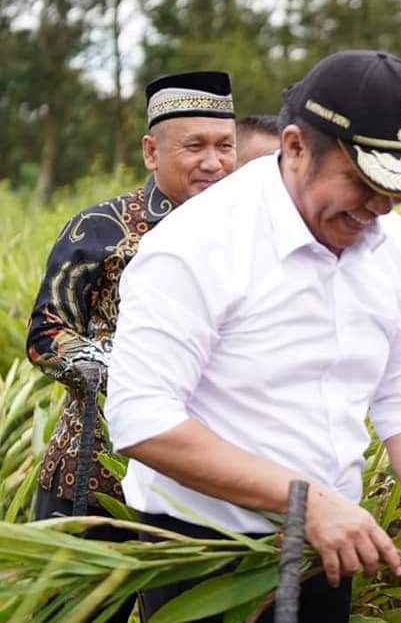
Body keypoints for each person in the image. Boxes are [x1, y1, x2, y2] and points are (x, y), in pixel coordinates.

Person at [103, 50, 401, 622]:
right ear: (295, 147)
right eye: (360, 181)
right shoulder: (197, 245)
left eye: (396, 190)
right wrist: (304, 500)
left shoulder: (399, 251)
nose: (379, 207)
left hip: (325, 549)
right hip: (203, 557)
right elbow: (143, 419)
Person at [24, 69, 236, 622]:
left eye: (225, 146)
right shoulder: (100, 228)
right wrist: (125, 371)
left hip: (201, 484)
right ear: (151, 151)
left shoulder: (251, 233)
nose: (213, 162)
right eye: (194, 146)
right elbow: (46, 332)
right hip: (91, 475)